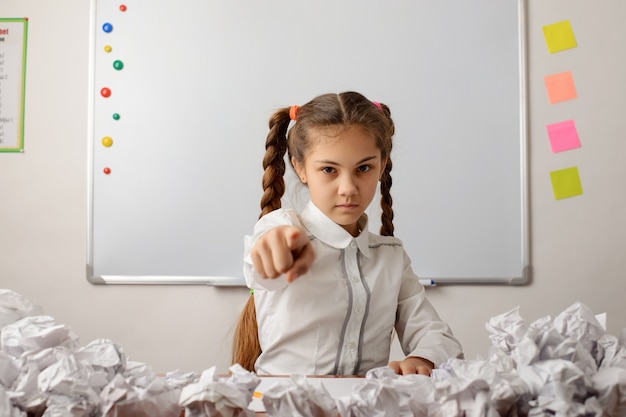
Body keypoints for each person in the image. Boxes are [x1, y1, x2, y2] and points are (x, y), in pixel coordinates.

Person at [232, 91, 463, 376]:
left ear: (381, 165)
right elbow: (261, 261)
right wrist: (274, 249)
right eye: (329, 169)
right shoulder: (282, 228)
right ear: (300, 168)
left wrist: (423, 359)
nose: (348, 188)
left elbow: (433, 333)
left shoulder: (391, 257)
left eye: (363, 168)